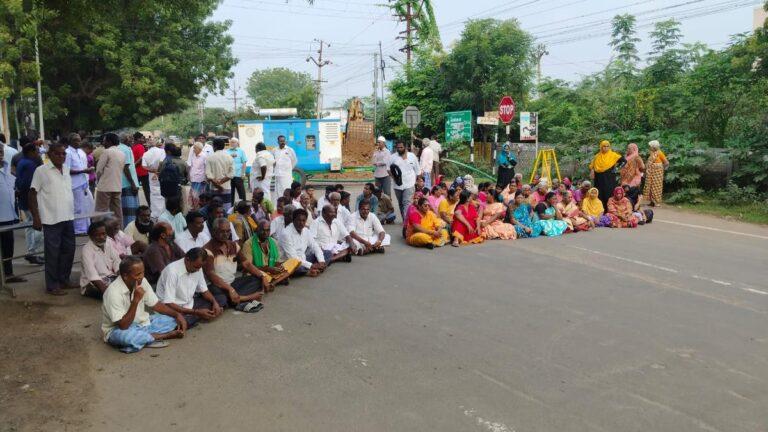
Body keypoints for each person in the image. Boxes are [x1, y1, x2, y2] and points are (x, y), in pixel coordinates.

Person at [101, 256, 186, 353]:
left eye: (143, 272)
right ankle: (165, 336)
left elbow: (156, 304)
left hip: (142, 324)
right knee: (127, 338)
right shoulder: (113, 292)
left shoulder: (142, 281)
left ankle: (145, 338)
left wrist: (177, 314)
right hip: (118, 329)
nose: (141, 276)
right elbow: (123, 326)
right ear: (125, 276)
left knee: (173, 320)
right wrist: (136, 300)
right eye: (138, 274)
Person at [29, 142, 77, 295]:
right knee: (52, 254)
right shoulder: (41, 170)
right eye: (57, 153)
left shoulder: (66, 170)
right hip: (51, 219)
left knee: (69, 251)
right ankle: (52, 285)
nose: (61, 156)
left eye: (64, 154)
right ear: (49, 155)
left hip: (68, 217)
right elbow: (32, 194)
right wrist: (36, 217)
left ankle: (64, 280)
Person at [204, 218, 266, 311]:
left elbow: (247, 264)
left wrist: (262, 277)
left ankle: (236, 298)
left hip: (232, 283)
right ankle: (244, 298)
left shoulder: (233, 245)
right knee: (221, 298)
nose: (226, 234)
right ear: (214, 232)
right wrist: (230, 289)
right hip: (217, 286)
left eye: (228, 231)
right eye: (222, 231)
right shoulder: (207, 250)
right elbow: (211, 276)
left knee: (257, 280)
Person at [156, 247, 223, 328]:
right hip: (171, 309)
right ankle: (193, 318)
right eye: (196, 267)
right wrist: (196, 312)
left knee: (221, 299)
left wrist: (214, 303)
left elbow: (204, 291)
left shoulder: (198, 267)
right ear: (187, 259)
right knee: (175, 322)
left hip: (189, 305)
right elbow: (169, 303)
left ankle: (195, 317)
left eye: (200, 267)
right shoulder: (172, 272)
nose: (198, 270)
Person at [242, 219, 300, 290]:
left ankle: (273, 283)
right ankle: (278, 280)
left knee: (294, 261)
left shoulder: (273, 242)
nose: (265, 233)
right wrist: (267, 269)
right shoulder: (248, 244)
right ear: (257, 230)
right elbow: (248, 267)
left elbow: (275, 261)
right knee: (256, 277)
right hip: (258, 273)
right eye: (263, 230)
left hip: (271, 272)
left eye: (267, 230)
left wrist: (279, 266)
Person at [14, 144, 44, 265]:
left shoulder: (22, 162)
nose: (38, 153)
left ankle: (32, 252)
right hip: (30, 200)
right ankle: (33, 251)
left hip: (24, 199)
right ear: (31, 152)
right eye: (36, 151)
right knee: (37, 227)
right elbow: (29, 184)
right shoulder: (30, 164)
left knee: (29, 227)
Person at [0, 145, 25, 283]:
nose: (0, 154)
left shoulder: (7, 170)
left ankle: (8, 274)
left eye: (1, 151)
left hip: (9, 216)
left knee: (8, 248)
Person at [279, 208, 327, 277]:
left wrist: (321, 261)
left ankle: (317, 268)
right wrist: (311, 265)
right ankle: (309, 271)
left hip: (303, 259)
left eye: (303, 221)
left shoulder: (306, 231)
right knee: (298, 267)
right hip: (289, 262)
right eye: (299, 220)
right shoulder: (286, 234)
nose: (301, 223)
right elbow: (292, 257)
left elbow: (315, 246)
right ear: (293, 220)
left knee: (327, 253)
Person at [79, 221, 121, 299]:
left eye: (103, 234)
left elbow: (116, 260)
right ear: (90, 236)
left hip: (110, 278)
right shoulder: (87, 250)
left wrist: (120, 275)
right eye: (97, 235)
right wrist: (107, 293)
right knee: (116, 295)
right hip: (93, 283)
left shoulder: (108, 242)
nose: (102, 237)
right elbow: (93, 276)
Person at [64, 133, 94, 235]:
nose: (78, 142)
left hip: (84, 183)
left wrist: (88, 170)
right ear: (70, 142)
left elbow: (84, 166)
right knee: (78, 208)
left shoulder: (81, 152)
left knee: (87, 206)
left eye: (79, 140)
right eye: (76, 140)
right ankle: (78, 230)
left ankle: (87, 228)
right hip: (74, 184)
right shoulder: (67, 153)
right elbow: (66, 170)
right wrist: (83, 171)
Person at [95, 133, 126, 227]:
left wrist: (99, 181)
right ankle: (119, 231)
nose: (103, 142)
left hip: (105, 186)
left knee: (101, 211)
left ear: (109, 141)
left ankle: (97, 231)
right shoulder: (122, 153)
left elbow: (99, 170)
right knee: (117, 212)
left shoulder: (107, 152)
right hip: (117, 186)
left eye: (104, 140)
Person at [389, 141, 420, 223]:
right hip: (397, 185)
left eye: (401, 147)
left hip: (410, 184)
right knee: (401, 203)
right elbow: (388, 170)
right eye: (398, 147)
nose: (399, 149)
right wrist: (395, 178)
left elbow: (417, 170)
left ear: (405, 148)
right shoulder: (392, 157)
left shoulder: (412, 156)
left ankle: (407, 223)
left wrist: (418, 181)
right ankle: (405, 219)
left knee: (407, 202)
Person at [589, 140, 625, 208]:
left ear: (609, 147)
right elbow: (592, 166)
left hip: (609, 179)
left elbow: (624, 161)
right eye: (604, 146)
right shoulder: (597, 156)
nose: (605, 148)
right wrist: (592, 171)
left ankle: (610, 210)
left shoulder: (613, 155)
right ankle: (601, 211)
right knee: (599, 194)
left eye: (607, 146)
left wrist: (616, 169)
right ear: (601, 147)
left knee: (609, 194)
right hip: (599, 180)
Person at [117, 133, 141, 226]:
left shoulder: (121, 148)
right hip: (128, 184)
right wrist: (133, 184)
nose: (132, 140)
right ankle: (130, 231)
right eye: (130, 138)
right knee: (130, 212)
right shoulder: (125, 149)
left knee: (126, 210)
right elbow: (126, 168)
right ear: (125, 140)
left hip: (123, 184)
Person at [205, 137, 234, 211]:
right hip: (226, 187)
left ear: (214, 146)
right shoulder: (229, 157)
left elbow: (209, 175)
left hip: (214, 188)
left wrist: (218, 185)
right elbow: (231, 174)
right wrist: (221, 183)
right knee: (226, 209)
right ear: (224, 146)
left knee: (214, 209)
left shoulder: (210, 158)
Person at [141, 139, 166, 218]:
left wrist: (153, 171)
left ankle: (155, 213)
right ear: (156, 144)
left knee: (153, 193)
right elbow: (163, 162)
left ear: (148, 145)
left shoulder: (145, 154)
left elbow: (144, 166)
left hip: (151, 175)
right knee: (162, 192)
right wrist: (158, 171)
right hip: (161, 174)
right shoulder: (162, 151)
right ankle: (163, 213)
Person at [643, 140, 669, 207]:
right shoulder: (652, 153)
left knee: (656, 188)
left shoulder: (660, 153)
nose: (649, 147)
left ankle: (657, 202)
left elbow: (666, 163)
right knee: (650, 187)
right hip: (650, 173)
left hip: (657, 174)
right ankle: (652, 202)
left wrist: (660, 168)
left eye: (650, 146)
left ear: (654, 147)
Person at [272, 135, 297, 201]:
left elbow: (294, 161)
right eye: (281, 141)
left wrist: (289, 169)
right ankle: (280, 204)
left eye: (284, 141)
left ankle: (287, 203)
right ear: (278, 142)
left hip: (286, 175)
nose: (283, 142)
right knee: (278, 192)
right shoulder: (274, 150)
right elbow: (273, 161)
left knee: (286, 190)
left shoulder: (289, 150)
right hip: (277, 174)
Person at [187, 141, 207, 208]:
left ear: (199, 149)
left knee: (198, 197)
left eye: (195, 148)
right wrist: (189, 176)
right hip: (193, 179)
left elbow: (206, 168)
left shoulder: (204, 156)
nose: (193, 149)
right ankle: (194, 210)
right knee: (192, 196)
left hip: (200, 180)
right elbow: (191, 167)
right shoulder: (193, 156)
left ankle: (198, 211)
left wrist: (205, 178)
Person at [132, 132, 150, 205]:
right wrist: (134, 165)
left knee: (135, 190)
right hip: (142, 172)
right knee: (147, 191)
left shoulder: (134, 146)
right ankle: (150, 205)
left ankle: (135, 205)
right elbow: (141, 158)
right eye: (142, 138)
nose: (143, 140)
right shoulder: (140, 146)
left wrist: (133, 166)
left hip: (137, 172)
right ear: (138, 139)